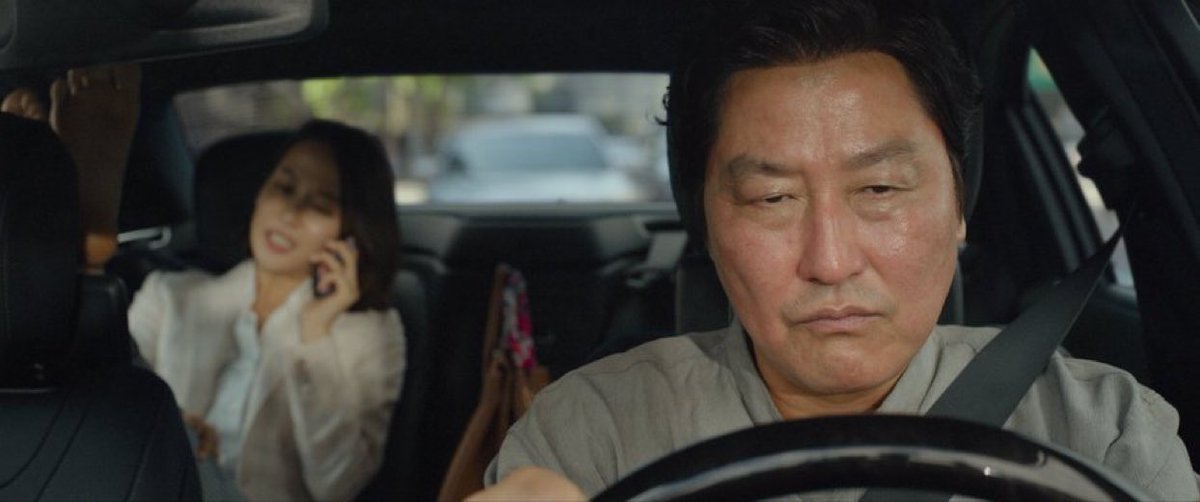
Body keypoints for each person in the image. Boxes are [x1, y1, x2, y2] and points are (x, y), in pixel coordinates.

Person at [472, 0, 1200, 500]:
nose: (829, 261)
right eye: (771, 198)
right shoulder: (593, 435)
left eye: (879, 189)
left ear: (958, 205)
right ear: (707, 224)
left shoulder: (1101, 434)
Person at [4, 73, 406, 501]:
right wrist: (174, 426)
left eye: (320, 204)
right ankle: (83, 250)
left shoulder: (370, 334)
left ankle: (82, 245)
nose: (290, 212)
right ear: (259, 195)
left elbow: (336, 486)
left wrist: (316, 339)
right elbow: (99, 402)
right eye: (283, 187)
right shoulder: (172, 295)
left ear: (350, 232)